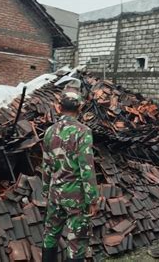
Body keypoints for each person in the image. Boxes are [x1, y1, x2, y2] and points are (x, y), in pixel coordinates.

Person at [41, 85, 99, 262]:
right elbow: (86, 167)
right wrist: (92, 199)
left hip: (55, 193)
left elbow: (46, 165)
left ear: (59, 107)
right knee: (76, 241)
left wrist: (46, 190)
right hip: (76, 197)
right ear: (80, 107)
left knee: (50, 235)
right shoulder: (83, 132)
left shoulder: (50, 131)